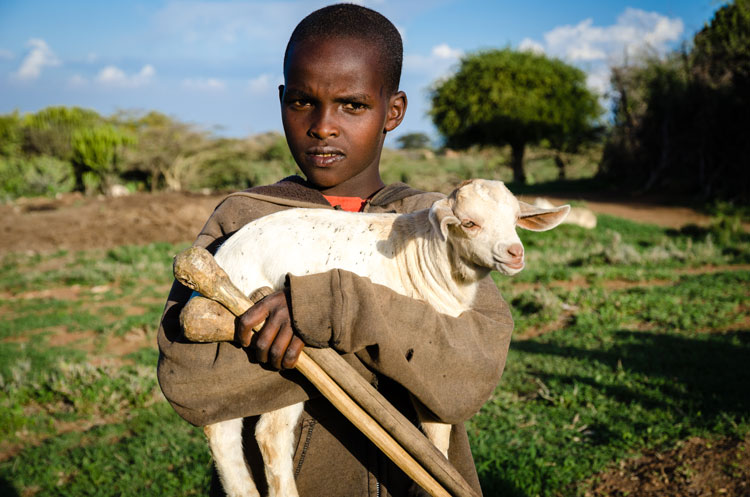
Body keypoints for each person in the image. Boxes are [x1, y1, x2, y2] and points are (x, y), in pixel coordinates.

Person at [157, 4, 514, 496]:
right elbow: (189, 381)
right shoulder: (242, 220)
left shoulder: (442, 223)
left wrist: (338, 309)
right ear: (282, 101)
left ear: (393, 112)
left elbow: (468, 374)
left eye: (352, 105)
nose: (323, 126)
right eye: (303, 102)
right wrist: (277, 344)